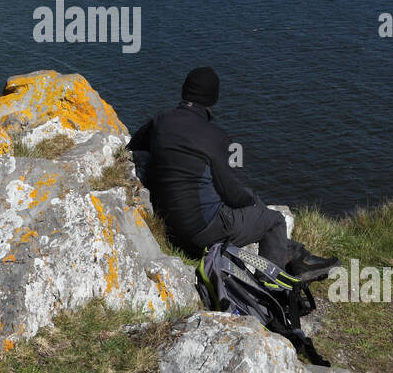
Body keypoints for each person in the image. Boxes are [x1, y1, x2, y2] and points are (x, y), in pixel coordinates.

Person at [128, 66, 334, 277]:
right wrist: (252, 203)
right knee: (273, 221)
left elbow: (133, 145)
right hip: (202, 233)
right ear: (213, 99)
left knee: (250, 201)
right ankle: (272, 286)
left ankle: (295, 256)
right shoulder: (214, 135)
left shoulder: (161, 121)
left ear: (184, 91)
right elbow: (231, 194)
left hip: (172, 228)